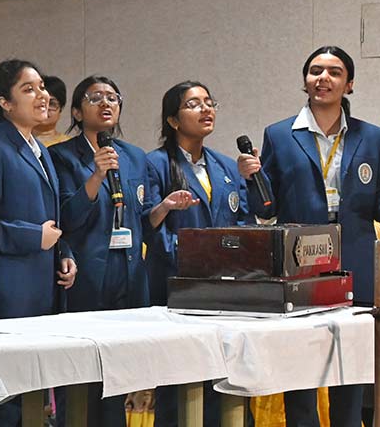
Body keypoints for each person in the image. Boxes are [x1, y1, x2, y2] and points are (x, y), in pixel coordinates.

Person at [238, 45, 379, 427]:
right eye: (315, 71)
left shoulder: (371, 137)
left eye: (334, 72)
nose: (323, 78)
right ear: (305, 80)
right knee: (299, 363)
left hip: (355, 259)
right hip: (300, 259)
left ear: (349, 84)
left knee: (350, 366)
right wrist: (252, 179)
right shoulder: (280, 135)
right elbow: (266, 208)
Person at [0, 59, 77, 427]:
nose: (42, 95)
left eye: (42, 87)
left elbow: (49, 218)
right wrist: (35, 237)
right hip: (5, 294)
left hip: (40, 290)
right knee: (7, 404)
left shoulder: (40, 149)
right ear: (5, 103)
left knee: (33, 399)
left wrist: (63, 253)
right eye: (29, 89)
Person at [146, 81, 251, 427]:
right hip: (178, 286)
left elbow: (243, 221)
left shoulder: (226, 166)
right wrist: (188, 256)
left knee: (225, 378)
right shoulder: (155, 163)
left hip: (226, 289)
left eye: (209, 102)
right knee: (179, 382)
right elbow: (147, 223)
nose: (206, 109)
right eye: (193, 104)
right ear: (173, 120)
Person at [47, 75, 151, 427]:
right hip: (86, 276)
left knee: (117, 377)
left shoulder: (134, 156)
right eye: (95, 98)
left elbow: (141, 215)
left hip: (128, 275)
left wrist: (165, 207)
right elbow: (67, 217)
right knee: (79, 378)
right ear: (77, 112)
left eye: (112, 97)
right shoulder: (61, 156)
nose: (106, 103)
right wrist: (96, 176)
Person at [33, 75, 71, 147]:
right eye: (41, 103)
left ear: (61, 109)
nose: (46, 108)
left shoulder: (69, 146)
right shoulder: (18, 141)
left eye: (51, 104)